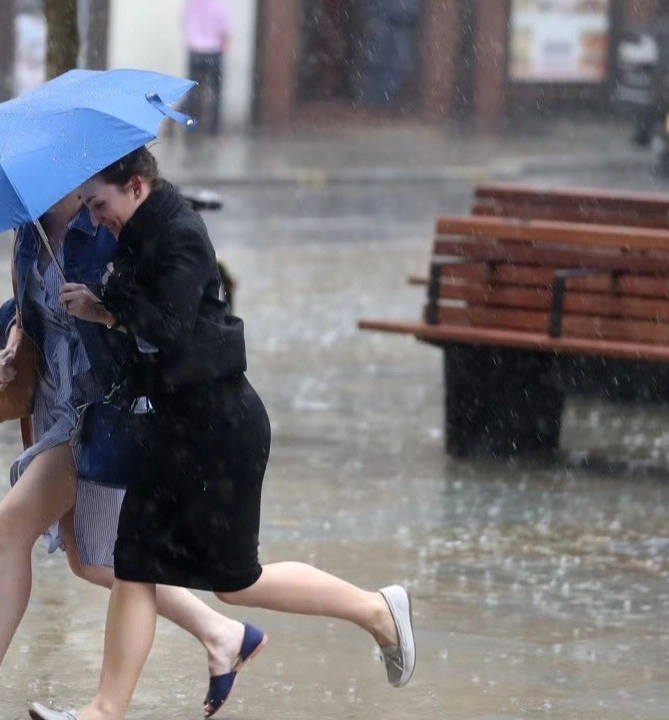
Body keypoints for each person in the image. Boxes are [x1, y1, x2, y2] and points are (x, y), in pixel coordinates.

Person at [34, 147, 417, 720]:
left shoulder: (181, 232)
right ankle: (103, 711)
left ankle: (377, 611)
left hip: (219, 429)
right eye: (88, 206)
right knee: (134, 563)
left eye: (100, 203)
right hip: (168, 426)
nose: (95, 217)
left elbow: (171, 325)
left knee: (235, 582)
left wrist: (106, 311)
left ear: (135, 185)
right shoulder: (136, 231)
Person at [0, 190, 262, 720]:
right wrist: (15, 344)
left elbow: (156, 314)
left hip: (98, 407)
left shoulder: (108, 228)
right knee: (91, 562)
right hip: (54, 400)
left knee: (9, 529)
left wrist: (102, 309)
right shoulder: (28, 228)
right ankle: (223, 633)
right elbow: (29, 307)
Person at [182, 0, 230, 135]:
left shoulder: (191, 4)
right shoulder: (218, 4)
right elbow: (224, 28)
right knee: (216, 92)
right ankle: (213, 128)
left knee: (193, 90)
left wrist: (193, 40)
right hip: (214, 52)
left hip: (195, 51)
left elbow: (184, 22)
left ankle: (189, 124)